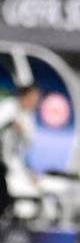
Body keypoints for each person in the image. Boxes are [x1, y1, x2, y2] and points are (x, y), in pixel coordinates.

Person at [0, 83, 39, 231]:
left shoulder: (28, 117)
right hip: (3, 165)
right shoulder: (8, 108)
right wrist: (10, 124)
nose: (35, 102)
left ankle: (20, 232)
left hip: (15, 164)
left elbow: (28, 146)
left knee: (29, 195)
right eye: (33, 97)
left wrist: (31, 171)